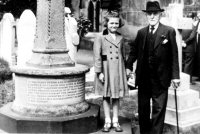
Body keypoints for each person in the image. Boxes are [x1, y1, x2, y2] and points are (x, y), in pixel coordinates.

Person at [126, 1, 180, 134]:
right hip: (144, 78)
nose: (152, 16)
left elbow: (174, 56)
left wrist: (175, 77)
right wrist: (128, 66)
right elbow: (134, 51)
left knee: (159, 109)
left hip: (160, 79)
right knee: (143, 110)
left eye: (155, 13)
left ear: (160, 14)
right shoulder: (142, 33)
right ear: (146, 15)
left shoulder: (168, 31)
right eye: (149, 13)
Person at [93, 11, 128, 132]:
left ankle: (115, 121)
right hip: (106, 70)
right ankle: (107, 121)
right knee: (106, 95)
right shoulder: (100, 36)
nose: (114, 25)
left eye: (116, 23)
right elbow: (97, 56)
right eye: (111, 23)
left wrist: (126, 70)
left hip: (118, 69)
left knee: (116, 96)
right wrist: (99, 72)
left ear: (119, 24)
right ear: (106, 23)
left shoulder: (121, 37)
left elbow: (124, 55)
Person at [182, 12, 199, 84]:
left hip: (182, 48)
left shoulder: (183, 25)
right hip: (190, 48)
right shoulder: (193, 26)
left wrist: (182, 42)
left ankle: (183, 80)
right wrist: (185, 42)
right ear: (194, 18)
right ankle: (187, 81)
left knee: (184, 64)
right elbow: (192, 37)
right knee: (188, 65)